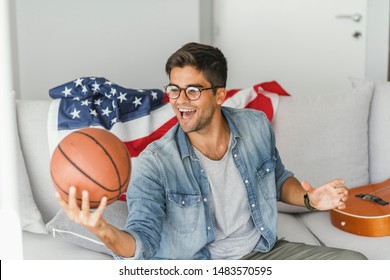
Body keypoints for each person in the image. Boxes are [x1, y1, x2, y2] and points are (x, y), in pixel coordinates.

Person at [56, 42, 367, 260]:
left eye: (193, 90)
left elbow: (277, 179)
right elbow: (143, 241)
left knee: (355, 265)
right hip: (196, 265)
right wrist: (102, 230)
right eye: (174, 89)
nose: (180, 101)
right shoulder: (156, 161)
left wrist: (310, 199)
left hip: (261, 254)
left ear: (219, 95)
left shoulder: (256, 125)